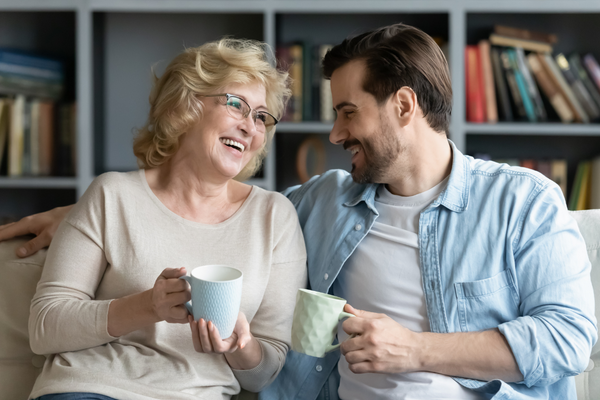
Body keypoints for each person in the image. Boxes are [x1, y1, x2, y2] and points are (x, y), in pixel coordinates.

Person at [0, 23, 596, 400]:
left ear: (405, 106)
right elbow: (199, 206)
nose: (334, 134)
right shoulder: (325, 200)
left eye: (347, 113)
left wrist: (416, 350)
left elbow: (568, 339)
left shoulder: (523, 201)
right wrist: (79, 216)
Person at [12, 38, 308, 400]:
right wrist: (147, 306)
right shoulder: (112, 195)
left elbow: (263, 372)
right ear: (185, 105)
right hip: (90, 388)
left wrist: (238, 346)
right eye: (236, 104)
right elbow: (45, 327)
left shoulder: (274, 218)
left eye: (261, 117)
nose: (251, 127)